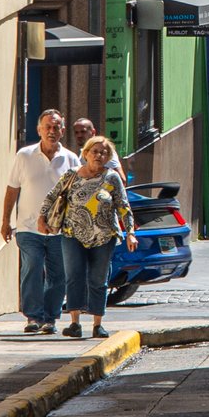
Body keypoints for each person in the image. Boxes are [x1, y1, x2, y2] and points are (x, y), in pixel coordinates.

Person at [45, 136, 136, 339]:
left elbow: (123, 206)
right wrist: (43, 218)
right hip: (72, 234)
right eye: (94, 152)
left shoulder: (111, 178)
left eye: (104, 153)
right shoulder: (71, 175)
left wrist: (130, 232)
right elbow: (51, 196)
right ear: (85, 154)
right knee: (74, 276)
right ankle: (75, 323)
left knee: (98, 279)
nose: (99, 155)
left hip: (104, 237)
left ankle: (97, 323)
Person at [1, 111, 80, 333]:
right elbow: (12, 189)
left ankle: (50, 318)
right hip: (28, 227)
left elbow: (76, 194)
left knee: (58, 275)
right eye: (47, 127)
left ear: (62, 131)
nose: (51, 131)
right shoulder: (24, 156)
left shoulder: (71, 159)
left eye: (56, 127)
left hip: (59, 230)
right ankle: (33, 316)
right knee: (33, 266)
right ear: (39, 130)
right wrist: (5, 221)